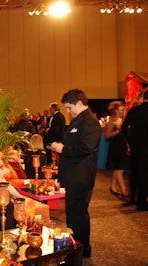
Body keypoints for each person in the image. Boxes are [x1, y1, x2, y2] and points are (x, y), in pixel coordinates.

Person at [49, 89, 101, 263]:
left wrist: (63, 149)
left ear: (79, 103)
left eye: (70, 108)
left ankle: (76, 255)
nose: (68, 112)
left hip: (80, 177)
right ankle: (82, 249)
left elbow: (87, 148)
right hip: (74, 176)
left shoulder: (89, 121)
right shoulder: (79, 120)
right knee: (78, 215)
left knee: (76, 216)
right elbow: (75, 143)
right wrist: (61, 145)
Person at [122, 89, 148, 211]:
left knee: (134, 172)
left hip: (135, 146)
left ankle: (133, 198)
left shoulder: (134, 110)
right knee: (144, 175)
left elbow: (124, 127)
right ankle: (142, 203)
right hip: (146, 148)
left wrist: (130, 140)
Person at [103, 101, 129, 197]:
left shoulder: (122, 120)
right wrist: (117, 131)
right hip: (115, 147)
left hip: (121, 146)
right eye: (121, 110)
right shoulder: (112, 121)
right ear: (116, 111)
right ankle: (123, 189)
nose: (123, 111)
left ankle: (113, 186)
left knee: (117, 168)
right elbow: (107, 136)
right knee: (120, 168)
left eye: (123, 110)